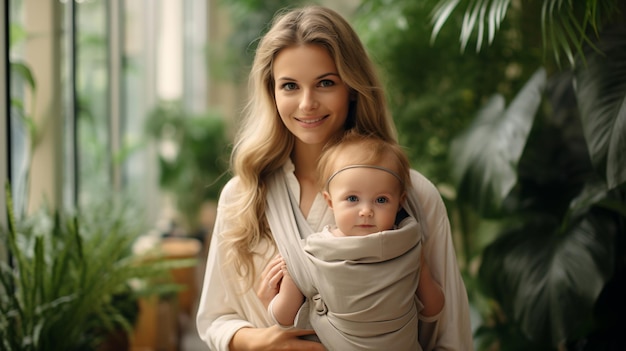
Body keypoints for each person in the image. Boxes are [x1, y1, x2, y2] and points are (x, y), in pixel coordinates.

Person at [196, 5, 473, 351]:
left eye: (325, 83)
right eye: (290, 86)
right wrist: (259, 342)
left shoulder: (415, 195)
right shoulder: (244, 194)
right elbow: (215, 319)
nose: (307, 103)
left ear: (353, 88)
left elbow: (450, 336)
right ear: (272, 92)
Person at [265, 131, 445, 350]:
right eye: (352, 199)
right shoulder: (409, 244)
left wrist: (269, 298)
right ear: (329, 201)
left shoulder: (312, 253)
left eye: (381, 200)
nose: (366, 211)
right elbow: (433, 309)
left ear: (400, 202)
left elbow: (284, 318)